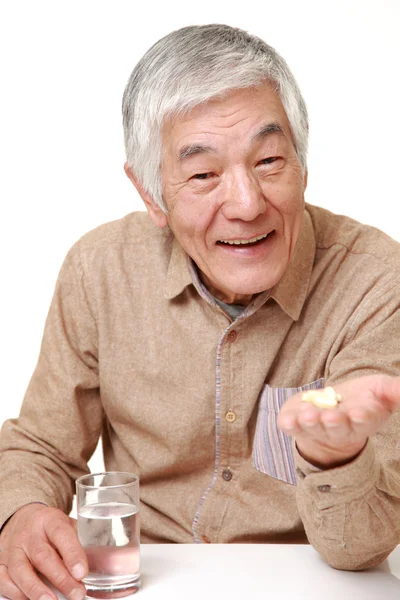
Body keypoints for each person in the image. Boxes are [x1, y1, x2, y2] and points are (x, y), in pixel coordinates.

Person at [1, 22, 400, 600]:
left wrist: (332, 454)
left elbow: (362, 549)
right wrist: (21, 514)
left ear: (303, 164)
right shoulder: (99, 269)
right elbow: (41, 445)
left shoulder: (376, 281)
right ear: (150, 194)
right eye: (203, 174)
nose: (245, 203)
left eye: (268, 161)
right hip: (140, 580)